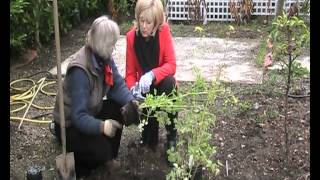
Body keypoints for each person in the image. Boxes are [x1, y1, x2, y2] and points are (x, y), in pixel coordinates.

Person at [51, 15, 140, 178]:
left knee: (117, 108)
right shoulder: (80, 71)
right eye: (112, 44)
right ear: (103, 44)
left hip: (90, 112)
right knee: (100, 150)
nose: (114, 47)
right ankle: (90, 162)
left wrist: (130, 101)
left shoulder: (104, 57)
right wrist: (102, 126)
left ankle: (107, 160)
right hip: (69, 125)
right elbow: (78, 117)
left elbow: (117, 84)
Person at [125, 0, 178, 164]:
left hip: (161, 83)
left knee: (170, 84)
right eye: (142, 21)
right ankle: (149, 133)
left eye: (149, 22)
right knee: (149, 139)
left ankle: (172, 136)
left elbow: (171, 65)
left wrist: (152, 75)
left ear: (157, 23)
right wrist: (133, 88)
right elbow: (129, 73)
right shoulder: (131, 38)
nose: (144, 26)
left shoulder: (164, 32)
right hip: (144, 89)